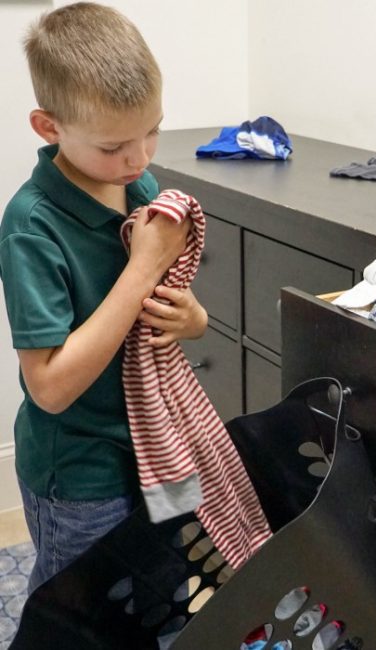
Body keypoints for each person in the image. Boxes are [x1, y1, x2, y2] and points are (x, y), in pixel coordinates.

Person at [0, 2, 208, 593]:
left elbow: (171, 313)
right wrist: (142, 267)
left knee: (175, 585)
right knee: (81, 615)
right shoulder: (31, 227)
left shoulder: (136, 185)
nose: (140, 158)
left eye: (152, 130)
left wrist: (193, 319)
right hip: (83, 477)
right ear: (49, 127)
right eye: (114, 145)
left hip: (164, 450)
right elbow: (51, 388)